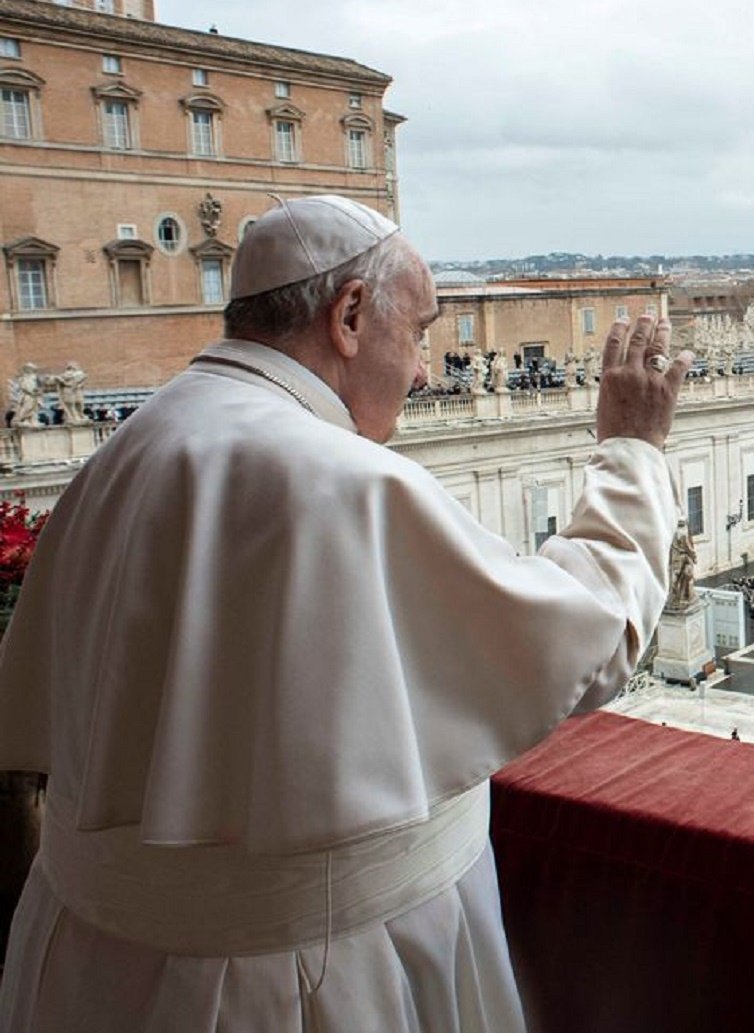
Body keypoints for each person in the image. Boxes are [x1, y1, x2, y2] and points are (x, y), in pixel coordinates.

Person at [0, 195, 695, 1033]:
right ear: (351, 315)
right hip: (310, 985)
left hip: (88, 970)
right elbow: (591, 633)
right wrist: (631, 449)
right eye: (423, 330)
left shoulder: (125, 450)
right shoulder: (344, 482)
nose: (428, 369)